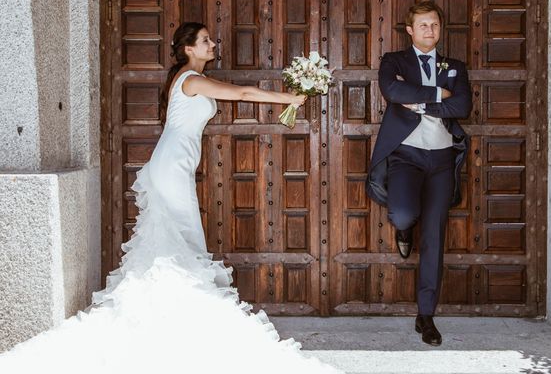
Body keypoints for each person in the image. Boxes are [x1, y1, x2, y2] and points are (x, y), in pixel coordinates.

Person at [0, 22, 340, 374]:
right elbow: (240, 94)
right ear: (189, 48)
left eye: (210, 39)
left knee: (176, 244)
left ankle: (169, 316)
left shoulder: (187, 77)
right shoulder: (189, 79)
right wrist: (288, 98)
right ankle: (174, 318)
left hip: (174, 167)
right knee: (185, 243)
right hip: (171, 169)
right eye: (205, 41)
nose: (213, 44)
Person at [366, 1, 471, 346]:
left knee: (436, 239)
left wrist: (422, 102)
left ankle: (425, 315)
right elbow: (392, 91)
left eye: (435, 25)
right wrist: (438, 94)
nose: (430, 31)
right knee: (402, 212)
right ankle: (404, 229)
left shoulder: (454, 67)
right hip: (405, 157)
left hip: (441, 159)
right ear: (410, 30)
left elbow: (462, 106)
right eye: (423, 25)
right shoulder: (393, 62)